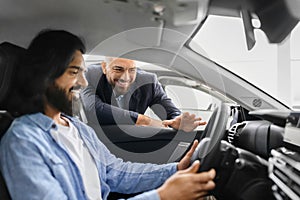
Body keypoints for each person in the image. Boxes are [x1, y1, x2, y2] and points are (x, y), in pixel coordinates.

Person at [0, 29, 215, 200]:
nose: (83, 83)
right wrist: (162, 196)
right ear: (46, 75)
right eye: (74, 72)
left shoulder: (77, 128)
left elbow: (117, 173)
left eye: (83, 73)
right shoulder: (23, 140)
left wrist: (175, 169)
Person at [81, 57, 206, 132]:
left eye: (132, 70)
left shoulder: (148, 81)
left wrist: (179, 120)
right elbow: (94, 109)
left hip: (134, 141)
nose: (125, 77)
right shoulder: (91, 75)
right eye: (118, 69)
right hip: (100, 139)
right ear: (104, 67)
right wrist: (143, 120)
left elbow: (170, 112)